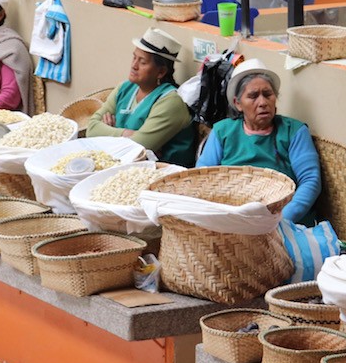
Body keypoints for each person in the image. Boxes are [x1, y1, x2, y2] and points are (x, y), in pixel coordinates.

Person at [196, 58, 321, 224]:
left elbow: (310, 181)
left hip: (282, 219)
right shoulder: (222, 131)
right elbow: (204, 175)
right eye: (253, 96)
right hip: (232, 215)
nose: (262, 102)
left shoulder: (294, 131)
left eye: (268, 94)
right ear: (238, 103)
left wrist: (280, 219)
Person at [86, 28, 195, 167]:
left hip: (162, 175)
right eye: (134, 57)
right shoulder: (124, 88)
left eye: (142, 62)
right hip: (120, 165)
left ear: (161, 72)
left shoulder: (171, 102)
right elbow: (92, 128)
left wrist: (108, 133)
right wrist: (126, 133)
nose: (134, 65)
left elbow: (137, 147)